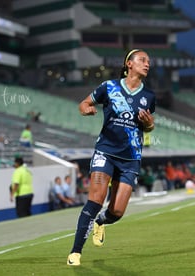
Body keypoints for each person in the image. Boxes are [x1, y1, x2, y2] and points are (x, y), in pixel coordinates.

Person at [67, 49, 156, 266]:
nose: (147, 64)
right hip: (105, 152)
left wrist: (148, 125)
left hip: (131, 158)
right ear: (129, 64)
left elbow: (150, 126)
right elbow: (83, 104)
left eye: (148, 61)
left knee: (116, 211)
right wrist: (86, 110)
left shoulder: (149, 97)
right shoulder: (109, 87)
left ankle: (101, 222)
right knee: (95, 200)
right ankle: (75, 253)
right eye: (142, 60)